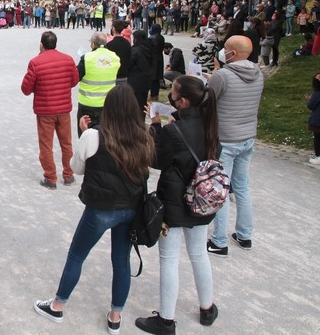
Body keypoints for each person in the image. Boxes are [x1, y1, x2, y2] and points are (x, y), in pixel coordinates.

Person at [34, 85, 154, 334]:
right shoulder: (144, 135)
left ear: (107, 109)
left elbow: (76, 168)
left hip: (100, 208)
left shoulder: (93, 135)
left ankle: (57, 305)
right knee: (121, 260)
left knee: (77, 256)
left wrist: (84, 134)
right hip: (131, 208)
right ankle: (115, 314)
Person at [136, 75, 220, 334]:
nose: (169, 97)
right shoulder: (210, 123)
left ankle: (166, 319)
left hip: (174, 200)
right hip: (202, 198)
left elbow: (156, 159)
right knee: (198, 254)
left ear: (182, 101)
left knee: (169, 259)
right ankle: (207, 307)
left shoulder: (173, 131)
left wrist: (155, 126)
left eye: (172, 94)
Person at [206, 36, 263, 256]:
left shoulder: (223, 75)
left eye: (226, 49)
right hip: (247, 136)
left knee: (221, 189)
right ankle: (244, 234)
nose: (223, 51)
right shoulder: (258, 73)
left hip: (226, 139)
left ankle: (219, 240)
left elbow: (208, 100)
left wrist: (215, 75)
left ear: (233, 54)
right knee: (241, 187)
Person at [21, 31, 79, 189]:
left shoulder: (36, 62)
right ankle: (68, 174)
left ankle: (51, 177)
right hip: (64, 108)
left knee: (46, 145)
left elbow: (26, 89)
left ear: (41, 44)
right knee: (66, 143)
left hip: (45, 109)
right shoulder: (68, 59)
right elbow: (74, 81)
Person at [76, 32, 120, 131]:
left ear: (93, 44)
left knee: (86, 134)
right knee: (105, 134)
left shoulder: (87, 58)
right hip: (107, 103)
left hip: (88, 104)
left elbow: (76, 77)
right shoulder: (115, 57)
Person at [127, 29, 154, 110]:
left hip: (135, 80)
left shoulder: (135, 50)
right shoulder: (150, 48)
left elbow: (129, 64)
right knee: (142, 103)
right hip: (146, 79)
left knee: (134, 104)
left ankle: (135, 121)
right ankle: (141, 119)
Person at [106, 20, 131, 85]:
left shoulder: (110, 45)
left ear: (113, 28)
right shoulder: (127, 43)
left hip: (113, 75)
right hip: (125, 75)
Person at [148, 24, 166, 101]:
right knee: (157, 78)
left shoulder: (151, 38)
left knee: (152, 78)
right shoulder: (162, 38)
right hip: (159, 58)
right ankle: (156, 95)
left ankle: (152, 95)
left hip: (153, 59)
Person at [307, 73, 320, 165]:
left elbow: (310, 105)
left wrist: (310, 99)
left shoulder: (317, 93)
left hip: (318, 121)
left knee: (317, 138)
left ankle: (318, 156)